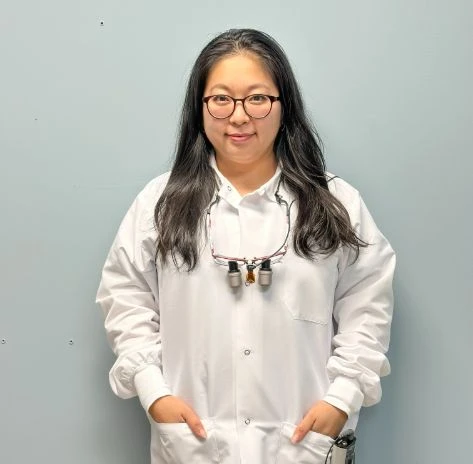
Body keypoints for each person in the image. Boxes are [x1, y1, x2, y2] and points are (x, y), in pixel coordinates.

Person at [96, 28, 395, 464]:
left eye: (257, 99)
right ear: (199, 107)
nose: (238, 117)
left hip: (303, 443)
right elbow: (125, 298)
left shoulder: (336, 202)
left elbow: (368, 304)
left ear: (284, 105)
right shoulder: (158, 204)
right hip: (195, 444)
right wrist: (153, 391)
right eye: (221, 99)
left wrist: (342, 397)